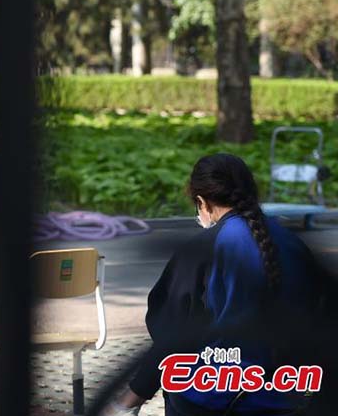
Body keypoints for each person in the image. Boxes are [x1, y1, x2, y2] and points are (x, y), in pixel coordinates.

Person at [107, 153, 323, 416]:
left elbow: (172, 337)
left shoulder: (204, 249)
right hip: (292, 394)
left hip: (216, 399)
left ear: (202, 202)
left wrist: (129, 399)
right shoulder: (294, 243)